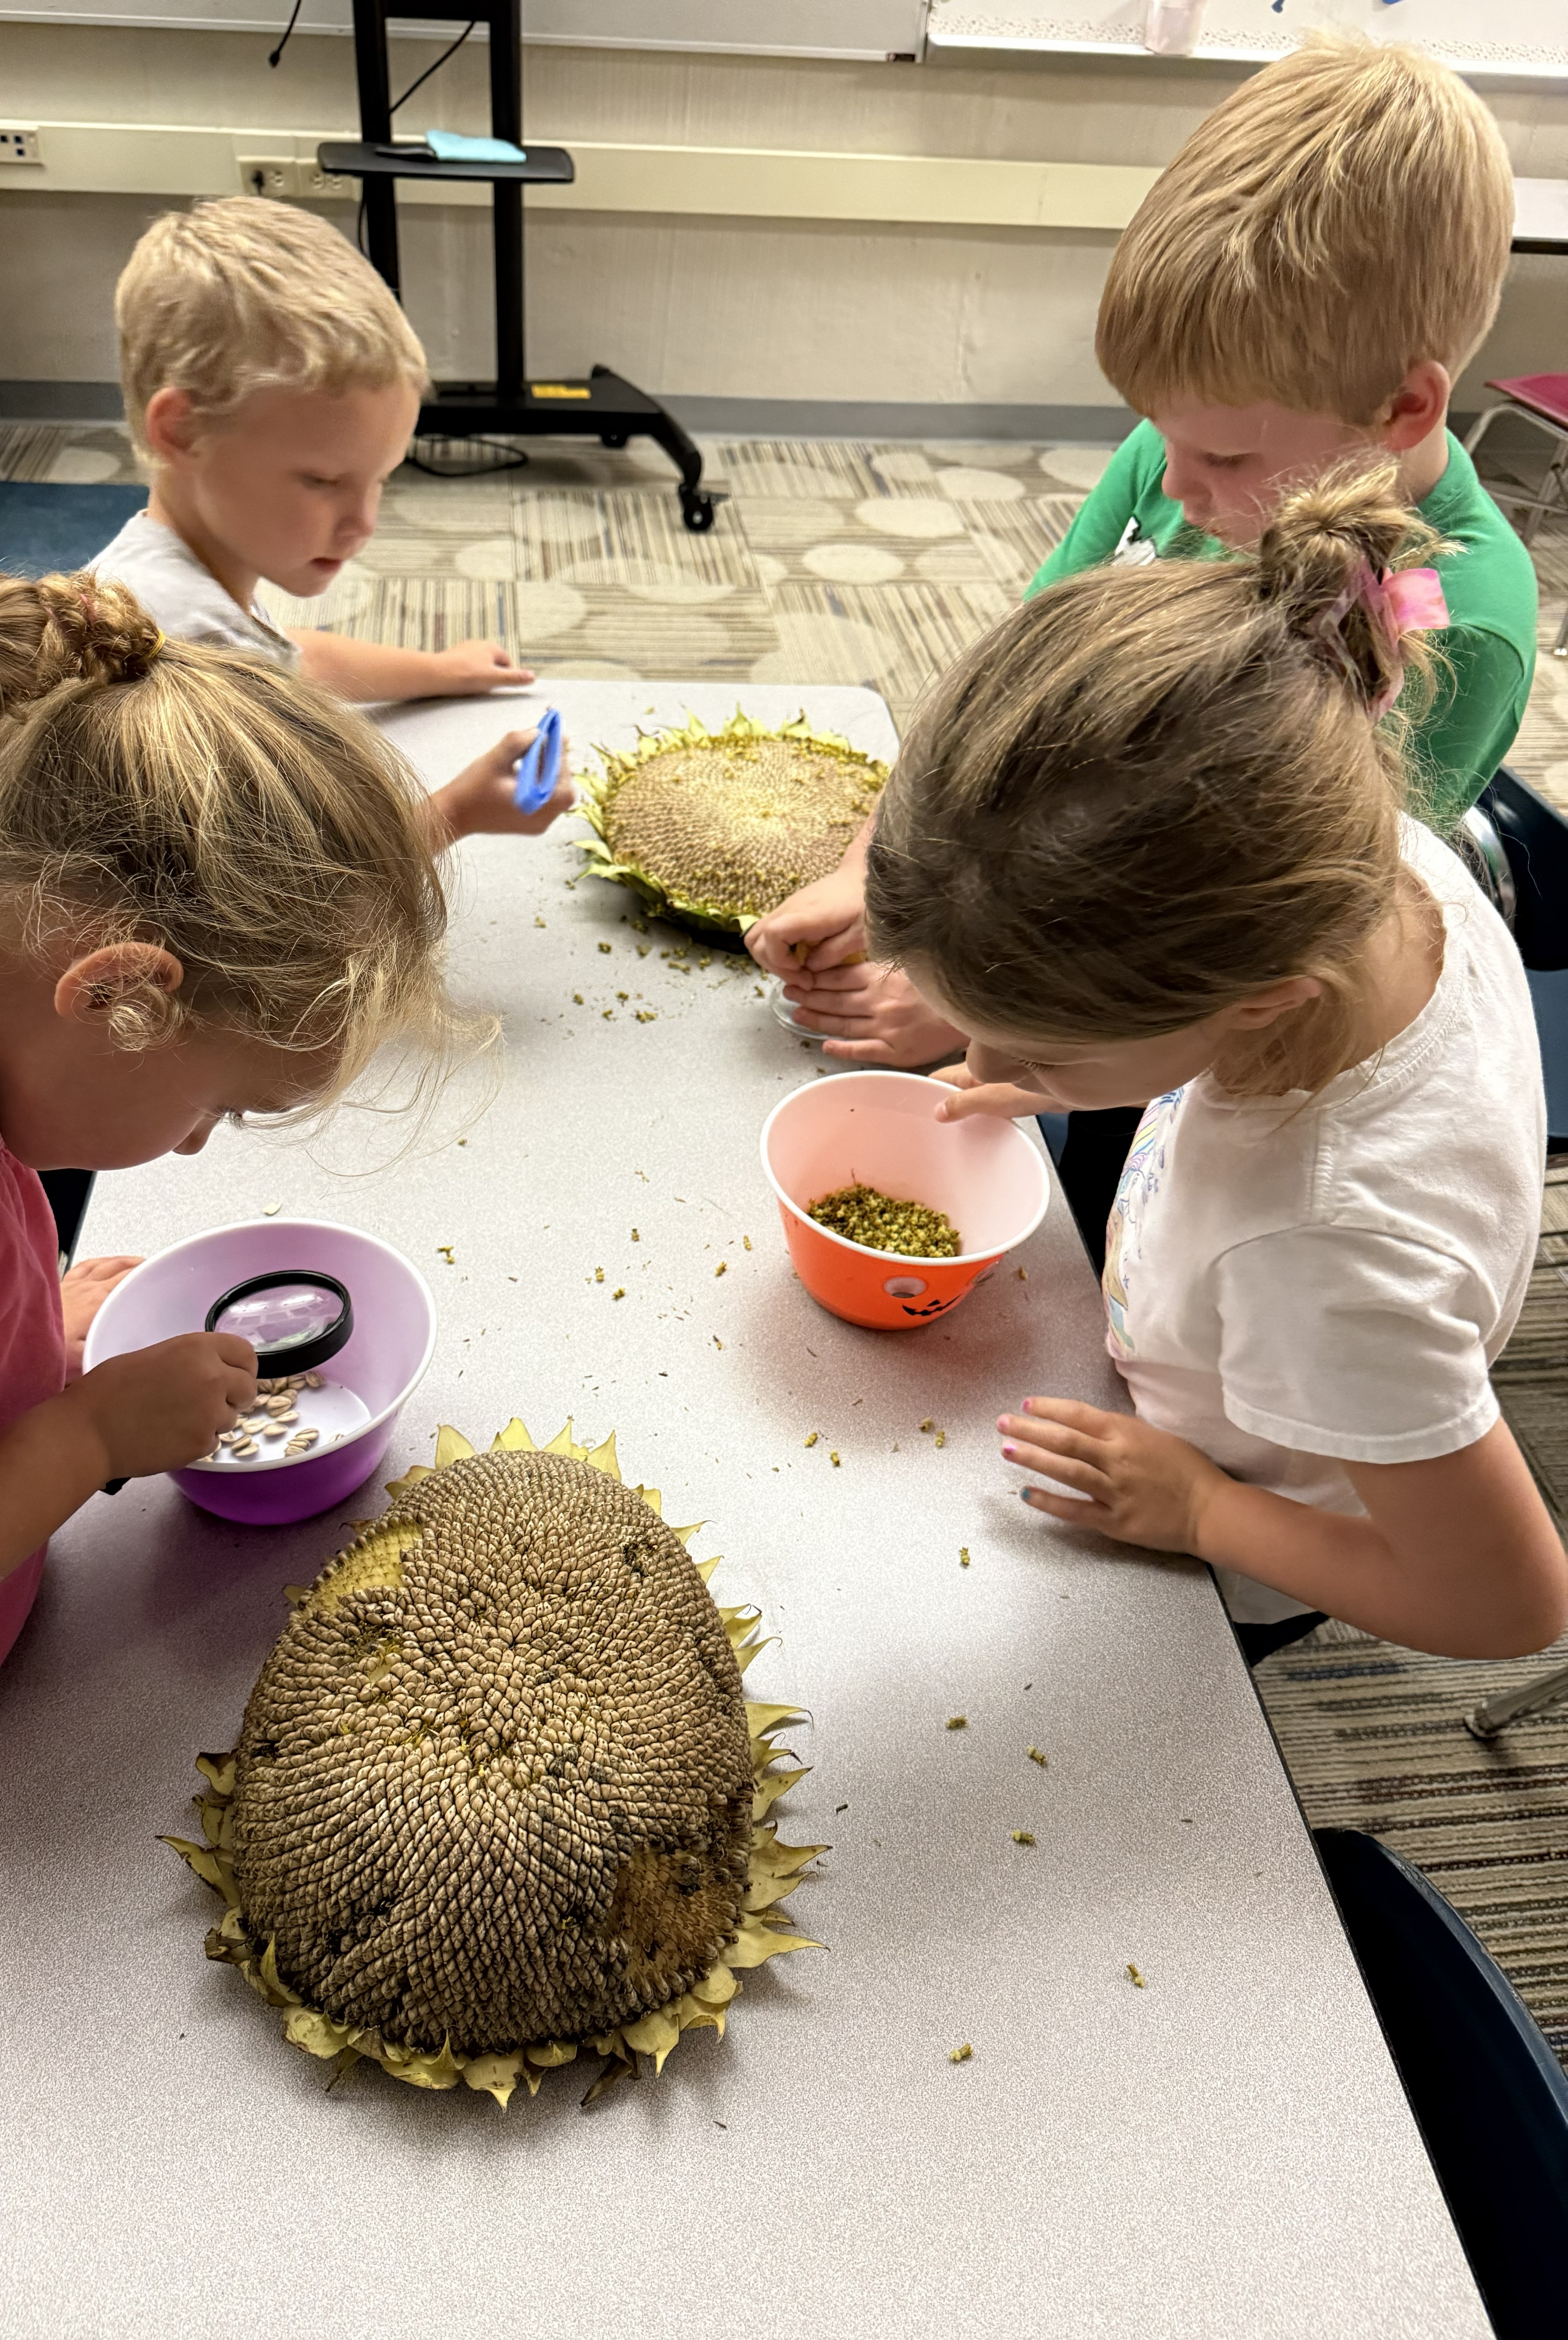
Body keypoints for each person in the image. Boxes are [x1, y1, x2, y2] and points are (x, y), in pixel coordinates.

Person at [0, 571, 466, 2163]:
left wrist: (20, 1324)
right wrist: (87, 1434)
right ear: (117, 991)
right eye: (217, 1107)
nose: (190, 1149)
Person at [748, 34, 1537, 1264]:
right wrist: (875, 872)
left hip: (1198, 1016)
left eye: (1221, 454)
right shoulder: (1183, 458)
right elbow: (1015, 698)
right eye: (1155, 432)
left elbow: (1264, 946)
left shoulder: (1453, 622)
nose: (1171, 484)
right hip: (1078, 971)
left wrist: (987, 1018)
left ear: (1404, 409)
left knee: (1137, 1243)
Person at [865, 465, 1566, 1667]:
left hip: (1239, 1532)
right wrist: (1062, 1068)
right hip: (1216, 1350)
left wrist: (1200, 1513)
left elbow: (1506, 1604)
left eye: (1038, 1047)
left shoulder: (1326, 1256)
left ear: (1257, 999)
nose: (982, 1064)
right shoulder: (1368, 859)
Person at [93, 197, 571, 847]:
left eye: (381, 479)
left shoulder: (156, 576)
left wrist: (442, 670)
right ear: (182, 431)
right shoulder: (193, 666)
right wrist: (458, 813)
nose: (363, 524)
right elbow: (295, 888)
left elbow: (294, 659)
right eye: (322, 482)